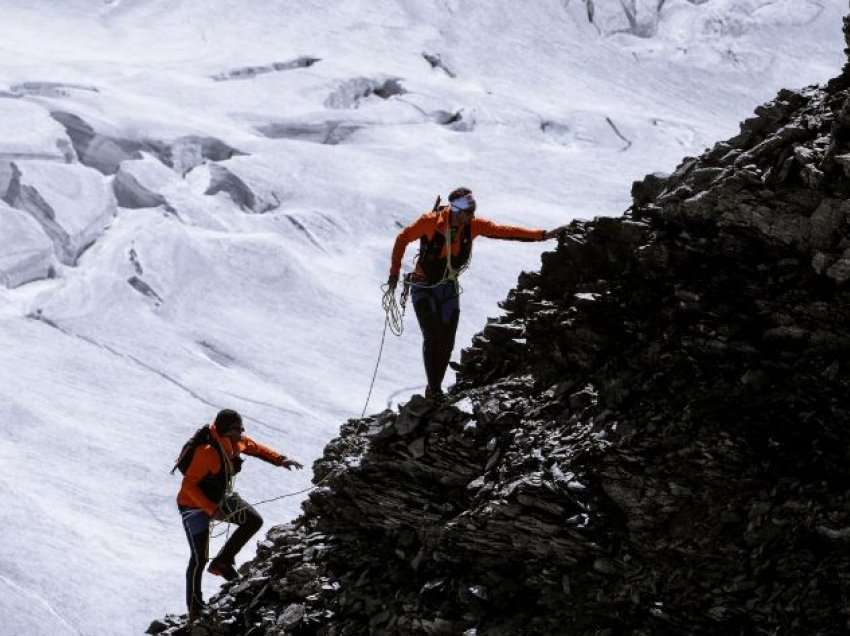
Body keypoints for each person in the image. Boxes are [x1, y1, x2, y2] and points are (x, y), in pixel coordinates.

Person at [387, 187, 566, 400]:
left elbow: (505, 231)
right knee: (432, 336)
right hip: (423, 286)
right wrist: (394, 274)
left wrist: (543, 235)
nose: (472, 216)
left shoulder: (472, 225)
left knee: (447, 340)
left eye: (473, 211)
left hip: (448, 287)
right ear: (456, 210)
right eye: (468, 212)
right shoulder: (429, 222)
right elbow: (402, 238)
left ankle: (434, 389)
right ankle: (434, 390)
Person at [176, 408, 303, 620]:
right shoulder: (207, 452)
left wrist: (281, 459)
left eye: (240, 429)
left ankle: (223, 562)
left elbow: (256, 448)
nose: (241, 433)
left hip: (221, 498)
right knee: (199, 558)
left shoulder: (237, 442)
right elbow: (188, 485)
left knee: (253, 521)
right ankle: (195, 608)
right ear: (225, 431)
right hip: (193, 507)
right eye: (237, 430)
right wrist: (210, 509)